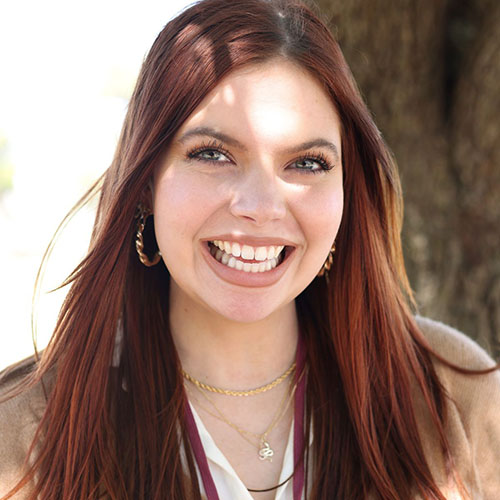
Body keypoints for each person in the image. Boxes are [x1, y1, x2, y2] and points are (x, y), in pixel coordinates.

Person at [1, 0, 499, 498]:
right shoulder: (24, 433)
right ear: (147, 183)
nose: (261, 207)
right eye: (212, 154)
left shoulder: (457, 397)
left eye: (307, 163)